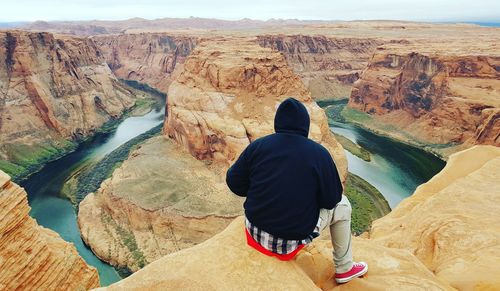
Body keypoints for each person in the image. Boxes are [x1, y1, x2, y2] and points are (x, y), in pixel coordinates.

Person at [226, 97, 368, 284]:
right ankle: (344, 268)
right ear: (305, 125)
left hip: (255, 233)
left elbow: (234, 182)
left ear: (278, 122)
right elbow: (331, 200)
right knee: (343, 204)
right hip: (290, 244)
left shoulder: (258, 146)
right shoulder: (319, 154)